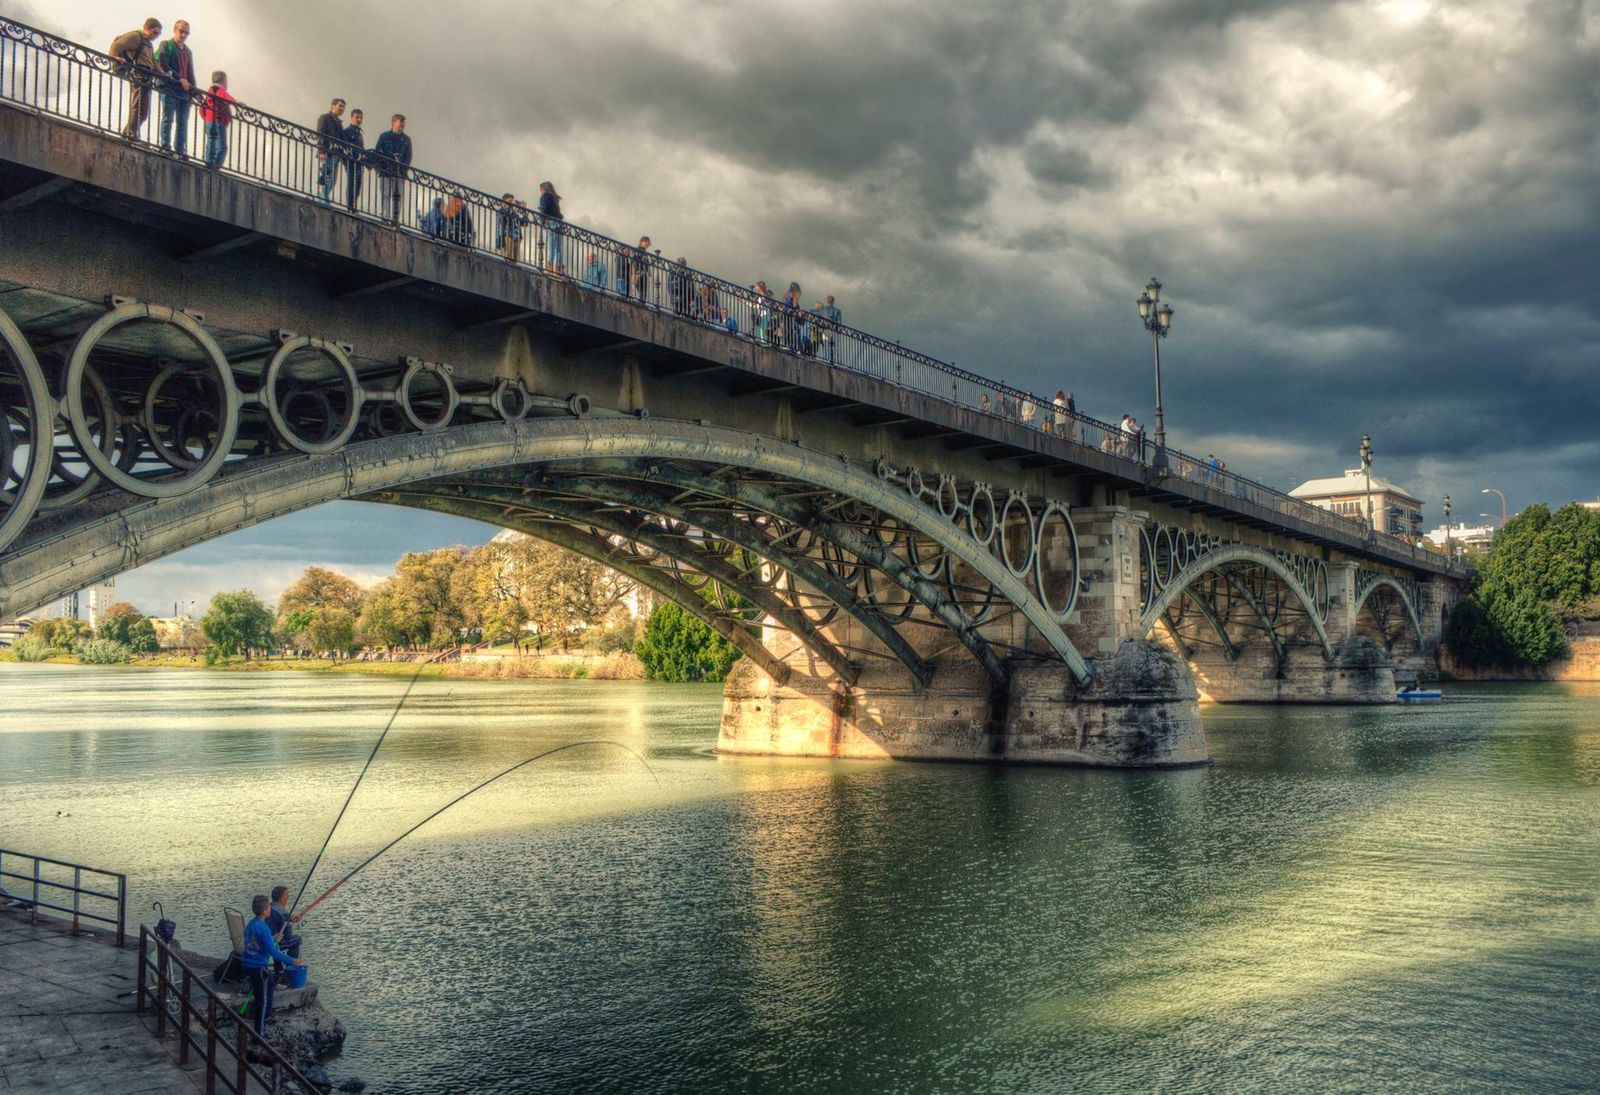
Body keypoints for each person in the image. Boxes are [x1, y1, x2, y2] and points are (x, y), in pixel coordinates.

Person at [241, 894, 302, 1037]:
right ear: (264, 911)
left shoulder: (252, 923)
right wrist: (292, 960)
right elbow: (274, 953)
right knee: (262, 1001)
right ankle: (259, 1034)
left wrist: (272, 938)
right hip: (257, 967)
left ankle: (266, 1019)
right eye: (269, 907)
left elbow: (256, 941)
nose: (270, 909)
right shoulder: (263, 927)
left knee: (269, 985)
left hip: (247, 964)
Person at [109, 19, 163, 142]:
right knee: (138, 107)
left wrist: (163, 75)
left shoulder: (148, 43)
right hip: (139, 74)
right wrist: (114, 57)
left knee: (143, 110)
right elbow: (117, 45)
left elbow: (153, 62)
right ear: (148, 28)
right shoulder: (136, 36)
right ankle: (129, 133)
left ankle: (130, 132)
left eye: (158, 34)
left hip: (147, 76)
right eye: (155, 33)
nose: (156, 36)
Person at [154, 20, 196, 157]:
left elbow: (190, 72)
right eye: (181, 31)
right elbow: (163, 64)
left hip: (184, 92)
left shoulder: (188, 51)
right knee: (168, 118)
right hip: (170, 87)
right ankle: (166, 146)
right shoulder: (166, 45)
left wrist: (195, 92)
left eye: (186, 33)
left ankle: (180, 151)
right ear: (175, 30)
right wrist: (180, 78)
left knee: (182, 123)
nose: (183, 35)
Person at [373, 114, 412, 225]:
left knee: (398, 196)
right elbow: (377, 152)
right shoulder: (384, 136)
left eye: (404, 122)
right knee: (385, 194)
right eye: (401, 122)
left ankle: (395, 219)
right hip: (385, 171)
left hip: (399, 172)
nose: (403, 124)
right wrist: (380, 167)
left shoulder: (406, 139)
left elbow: (408, 156)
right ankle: (385, 217)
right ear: (393, 122)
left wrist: (403, 169)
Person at [198, 70, 234, 171]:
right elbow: (226, 97)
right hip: (218, 121)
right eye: (226, 81)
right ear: (222, 80)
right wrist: (238, 103)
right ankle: (215, 167)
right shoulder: (219, 90)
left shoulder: (210, 91)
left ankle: (209, 164)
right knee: (222, 148)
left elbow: (202, 109)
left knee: (211, 143)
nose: (227, 84)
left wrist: (206, 119)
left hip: (210, 121)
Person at [314, 99, 347, 204]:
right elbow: (320, 134)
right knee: (327, 178)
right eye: (340, 106)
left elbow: (342, 140)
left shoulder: (339, 123)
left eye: (343, 107)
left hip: (336, 154)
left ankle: (322, 199)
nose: (342, 109)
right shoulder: (325, 118)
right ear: (333, 105)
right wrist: (321, 151)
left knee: (332, 180)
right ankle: (323, 201)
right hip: (327, 152)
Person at [266, 885, 302, 978]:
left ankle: (279, 969)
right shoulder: (282, 912)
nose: (288, 899)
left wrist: (290, 919)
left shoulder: (268, 908)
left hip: (265, 940)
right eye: (287, 897)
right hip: (274, 943)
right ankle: (290, 969)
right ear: (281, 898)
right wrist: (289, 921)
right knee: (297, 939)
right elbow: (288, 935)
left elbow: (279, 920)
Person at [537, 182, 564, 274]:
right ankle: (558, 270)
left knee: (550, 247)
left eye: (540, 189)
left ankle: (549, 269)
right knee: (558, 249)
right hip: (559, 225)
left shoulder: (544, 197)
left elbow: (543, 210)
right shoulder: (555, 197)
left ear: (543, 189)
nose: (539, 191)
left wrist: (541, 218)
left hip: (551, 224)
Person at [495, 193, 522, 263]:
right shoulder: (501, 210)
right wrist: (506, 208)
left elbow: (524, 224)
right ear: (504, 201)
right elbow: (502, 221)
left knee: (515, 260)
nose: (512, 204)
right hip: (508, 236)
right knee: (508, 257)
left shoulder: (514, 212)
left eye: (512, 201)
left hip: (517, 237)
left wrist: (524, 211)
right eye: (510, 201)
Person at [816, 294, 842, 363]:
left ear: (827, 301)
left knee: (825, 344)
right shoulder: (838, 311)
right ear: (834, 302)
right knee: (835, 346)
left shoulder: (823, 309)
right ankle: (836, 361)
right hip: (834, 331)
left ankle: (825, 359)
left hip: (825, 330)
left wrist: (820, 328)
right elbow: (839, 323)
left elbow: (819, 319)